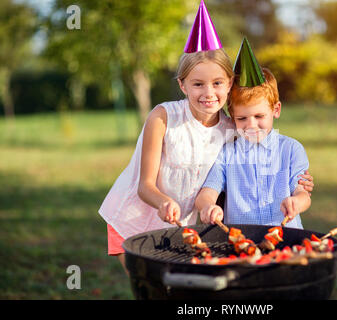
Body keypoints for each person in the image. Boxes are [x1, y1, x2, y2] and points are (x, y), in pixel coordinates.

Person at [98, 3, 314, 275]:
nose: (208, 92)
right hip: (135, 216)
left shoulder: (232, 128)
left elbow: (258, 158)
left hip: (182, 225)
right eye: (198, 84)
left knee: (181, 290)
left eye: (217, 83)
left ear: (229, 83)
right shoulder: (163, 117)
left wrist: (302, 185)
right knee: (149, 287)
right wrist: (166, 201)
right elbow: (145, 185)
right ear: (182, 85)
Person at [195, 37, 311, 229]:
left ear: (276, 110)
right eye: (242, 119)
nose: (251, 125)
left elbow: (303, 193)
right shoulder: (227, 153)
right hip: (241, 242)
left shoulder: (291, 149)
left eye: (259, 116)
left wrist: (296, 202)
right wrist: (208, 206)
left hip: (284, 237)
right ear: (232, 117)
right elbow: (209, 190)